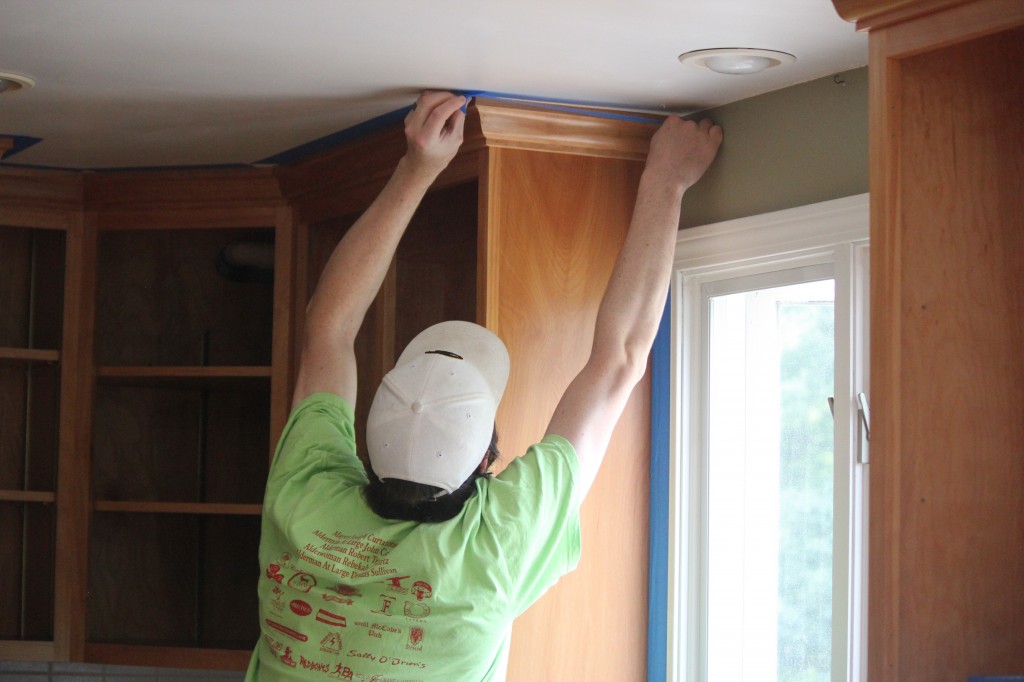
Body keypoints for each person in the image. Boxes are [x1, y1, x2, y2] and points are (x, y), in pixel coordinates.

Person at [246, 90, 722, 681]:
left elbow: (328, 324)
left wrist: (417, 167)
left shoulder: (306, 494)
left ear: (365, 443)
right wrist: (667, 185)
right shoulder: (492, 547)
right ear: (486, 462)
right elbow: (619, 356)